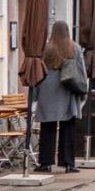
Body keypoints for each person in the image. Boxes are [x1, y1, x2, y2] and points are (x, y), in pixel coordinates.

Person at [35, 20, 86, 174]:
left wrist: (36, 94)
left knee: (47, 128)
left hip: (47, 91)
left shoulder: (45, 48)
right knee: (68, 128)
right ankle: (68, 163)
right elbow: (81, 69)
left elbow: (38, 72)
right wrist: (83, 89)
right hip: (67, 90)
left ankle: (45, 163)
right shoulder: (74, 47)